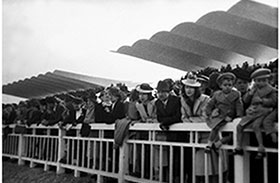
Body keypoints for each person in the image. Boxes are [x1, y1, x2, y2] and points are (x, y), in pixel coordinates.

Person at [181, 72, 228, 183]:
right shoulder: (183, 100)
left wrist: (191, 119)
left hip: (209, 136)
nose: (189, 90)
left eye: (192, 87)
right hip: (196, 138)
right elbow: (183, 117)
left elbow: (205, 117)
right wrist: (191, 120)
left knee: (214, 169)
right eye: (187, 87)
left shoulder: (205, 99)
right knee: (200, 169)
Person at [235, 68, 278, 158]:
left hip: (263, 112)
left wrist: (262, 101)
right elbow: (245, 101)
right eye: (258, 81)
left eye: (263, 80)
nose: (260, 83)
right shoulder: (252, 91)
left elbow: (274, 102)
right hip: (252, 113)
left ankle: (261, 147)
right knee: (240, 126)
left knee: (256, 126)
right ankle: (238, 146)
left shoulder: (271, 90)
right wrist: (250, 94)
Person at [205, 72, 243, 151]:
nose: (227, 87)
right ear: (220, 86)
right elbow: (210, 104)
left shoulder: (236, 94)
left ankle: (219, 143)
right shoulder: (217, 95)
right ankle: (209, 143)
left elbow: (239, 106)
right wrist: (209, 113)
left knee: (233, 132)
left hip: (231, 117)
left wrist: (239, 116)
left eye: (230, 85)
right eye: (225, 85)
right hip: (219, 116)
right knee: (215, 128)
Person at [155, 80, 182, 182]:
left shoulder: (176, 100)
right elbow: (159, 117)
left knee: (179, 158)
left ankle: (179, 178)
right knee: (169, 158)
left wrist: (166, 122)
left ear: (169, 92)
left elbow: (178, 116)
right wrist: (165, 122)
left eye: (163, 91)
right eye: (159, 92)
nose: (161, 94)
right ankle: (169, 178)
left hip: (179, 134)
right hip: (168, 134)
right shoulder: (158, 103)